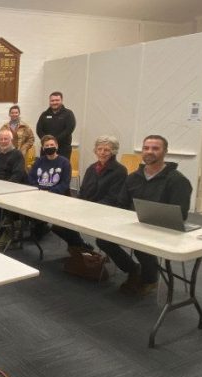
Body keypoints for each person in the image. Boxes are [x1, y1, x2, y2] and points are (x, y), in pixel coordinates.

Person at [96, 135, 192, 296]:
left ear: (165, 152)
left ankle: (150, 280)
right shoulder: (134, 177)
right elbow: (121, 204)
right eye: (146, 148)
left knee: (142, 246)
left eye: (155, 148)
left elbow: (180, 214)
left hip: (162, 229)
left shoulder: (177, 181)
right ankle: (133, 269)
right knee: (103, 239)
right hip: (134, 224)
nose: (149, 151)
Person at [52, 136, 127, 252]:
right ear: (95, 150)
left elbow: (112, 199)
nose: (102, 153)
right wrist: (78, 206)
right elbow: (82, 191)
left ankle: (82, 250)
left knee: (103, 241)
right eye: (99, 149)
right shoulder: (91, 168)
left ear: (114, 152)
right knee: (57, 225)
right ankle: (82, 248)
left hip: (105, 212)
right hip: (86, 209)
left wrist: (89, 210)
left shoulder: (120, 171)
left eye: (106, 150)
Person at [0, 129, 27, 248]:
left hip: (7, 188)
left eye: (6, 139)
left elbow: (18, 174)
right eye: (0, 139)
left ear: (11, 140)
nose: (3, 141)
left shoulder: (17, 154)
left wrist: (4, 187)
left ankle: (4, 223)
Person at [36, 92, 76, 159]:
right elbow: (39, 129)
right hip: (46, 148)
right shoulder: (44, 114)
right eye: (52, 100)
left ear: (61, 101)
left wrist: (54, 141)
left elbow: (69, 129)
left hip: (63, 149)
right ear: (50, 101)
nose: (54, 102)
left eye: (57, 100)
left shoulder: (68, 114)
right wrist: (47, 141)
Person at [0, 105, 35, 171]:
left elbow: (31, 139)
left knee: (19, 171)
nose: (14, 114)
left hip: (20, 154)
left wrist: (24, 148)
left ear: (19, 113)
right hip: (7, 153)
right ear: (9, 114)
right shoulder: (4, 127)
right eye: (12, 113)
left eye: (16, 112)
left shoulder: (25, 126)